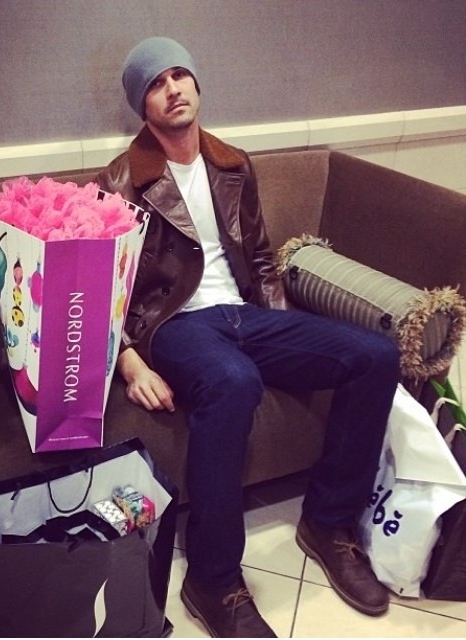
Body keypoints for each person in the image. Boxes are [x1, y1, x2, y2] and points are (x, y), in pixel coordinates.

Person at [95, 36, 401, 638]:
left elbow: (260, 259)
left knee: (375, 355)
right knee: (234, 382)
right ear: (142, 104)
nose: (173, 89)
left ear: (196, 83)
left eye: (180, 75)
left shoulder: (233, 165)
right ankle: (212, 580)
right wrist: (130, 363)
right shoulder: (120, 181)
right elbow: (102, 287)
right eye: (156, 83)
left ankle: (328, 523)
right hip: (174, 326)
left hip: (245, 316)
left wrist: (286, 334)